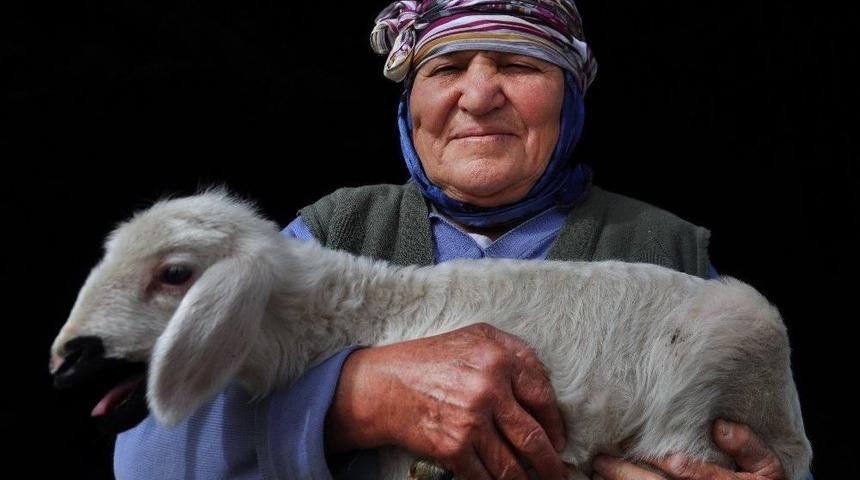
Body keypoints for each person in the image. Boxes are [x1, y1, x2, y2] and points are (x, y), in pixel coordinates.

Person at [115, 1, 809, 479]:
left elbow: (776, 452)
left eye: (519, 65)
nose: (478, 97)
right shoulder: (327, 238)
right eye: (446, 69)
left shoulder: (668, 258)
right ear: (409, 106)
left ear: (569, 99)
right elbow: (145, 460)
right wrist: (359, 398)